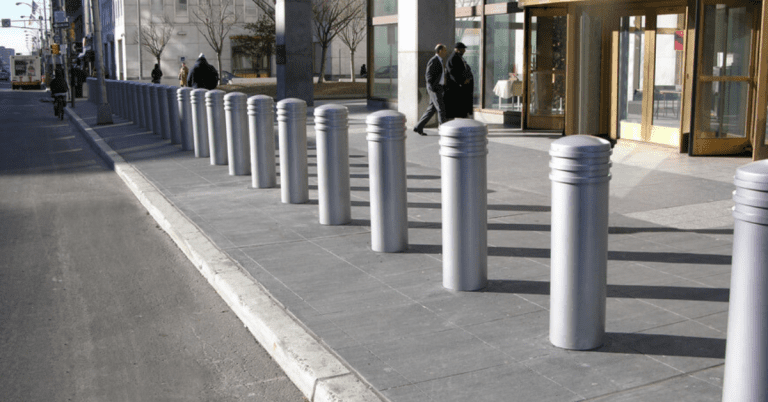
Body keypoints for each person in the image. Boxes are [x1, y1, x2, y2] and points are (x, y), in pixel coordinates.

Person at [413, 44, 449, 136]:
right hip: (434, 89)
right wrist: (433, 88)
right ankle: (444, 130)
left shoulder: (440, 60)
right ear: (440, 51)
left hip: (439, 88)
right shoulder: (434, 60)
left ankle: (418, 127)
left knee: (431, 109)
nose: (446, 52)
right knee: (441, 108)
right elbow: (428, 76)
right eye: (444, 50)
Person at [445, 42, 474, 119]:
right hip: (456, 88)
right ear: (457, 49)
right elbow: (453, 73)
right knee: (457, 108)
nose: (464, 51)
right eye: (463, 49)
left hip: (461, 87)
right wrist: (462, 81)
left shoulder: (459, 57)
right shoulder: (453, 58)